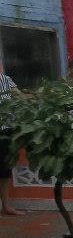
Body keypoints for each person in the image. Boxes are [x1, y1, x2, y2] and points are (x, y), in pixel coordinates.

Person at [0, 63, 24, 215]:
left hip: (6, 129)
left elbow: (19, 97)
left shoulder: (5, 80)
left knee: (4, 169)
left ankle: (6, 205)